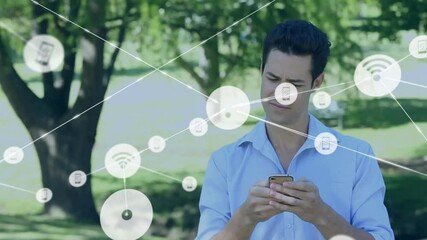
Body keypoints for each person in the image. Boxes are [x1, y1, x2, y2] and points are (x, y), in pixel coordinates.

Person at [195, 20, 394, 240]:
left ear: (317, 83)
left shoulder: (357, 157)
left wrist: (321, 215)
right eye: (273, 78)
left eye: (295, 84)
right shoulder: (224, 163)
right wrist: (245, 218)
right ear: (261, 69)